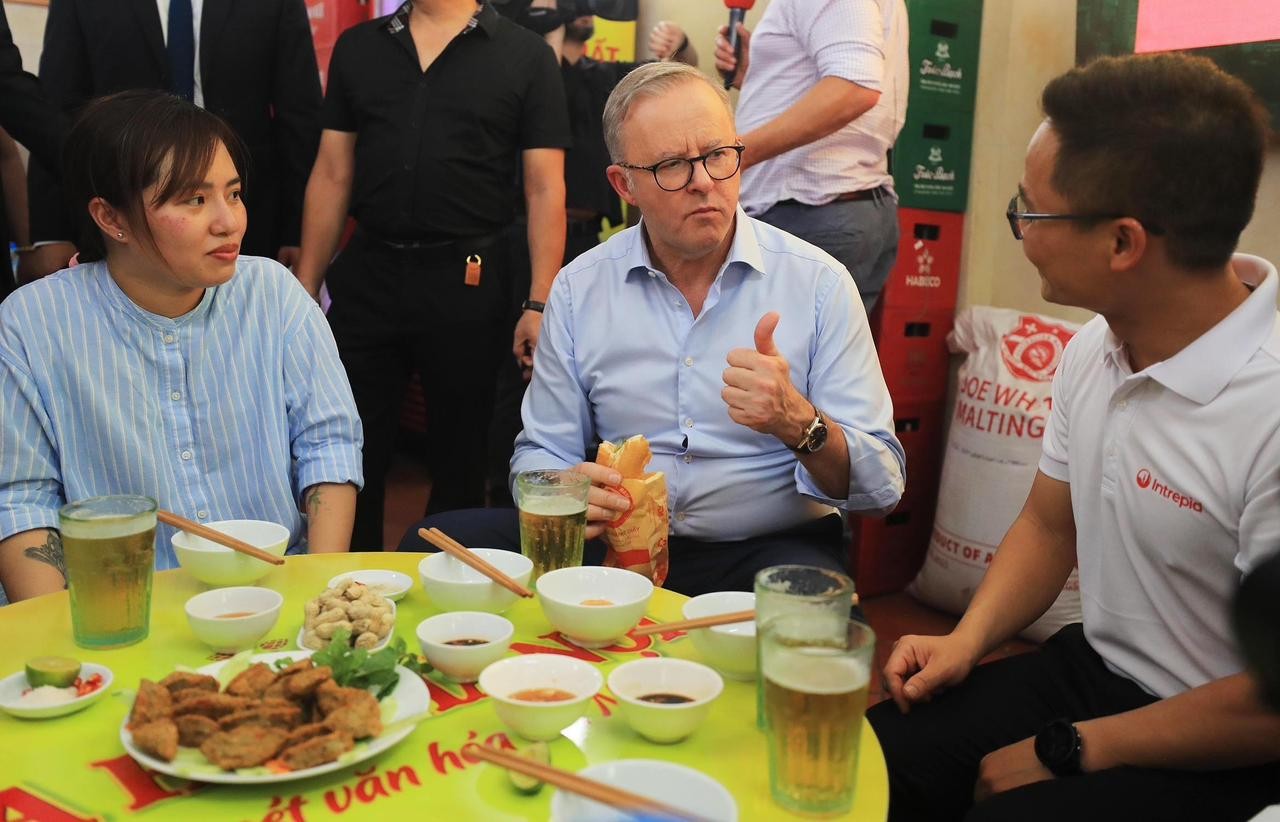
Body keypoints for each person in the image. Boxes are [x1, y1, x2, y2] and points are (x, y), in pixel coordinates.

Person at [867, 53, 1280, 821]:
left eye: (1032, 210)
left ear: (1123, 244)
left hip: (1231, 739)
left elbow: (1271, 708)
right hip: (1101, 670)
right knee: (873, 760)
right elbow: (1048, 524)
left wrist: (1074, 749)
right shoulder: (1098, 345)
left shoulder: (1270, 407)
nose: (1020, 228)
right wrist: (969, 640)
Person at [402, 62, 905, 596]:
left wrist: (798, 422)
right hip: (613, 544)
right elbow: (541, 451)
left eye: (718, 156)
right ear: (625, 185)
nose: (704, 183)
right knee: (428, 549)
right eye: (672, 166)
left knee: (819, 638)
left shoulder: (818, 284)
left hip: (764, 547)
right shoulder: (580, 289)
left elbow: (882, 487)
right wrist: (561, 488)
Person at [0, 90, 363, 603]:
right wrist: (59, 644)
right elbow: (21, 499)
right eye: (194, 200)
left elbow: (329, 445)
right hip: (121, 609)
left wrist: (319, 595)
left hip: (273, 593)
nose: (228, 221)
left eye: (233, 194)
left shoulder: (274, 294)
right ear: (111, 218)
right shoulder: (32, 323)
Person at [295, 0, 570, 550]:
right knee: (350, 443)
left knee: (460, 451)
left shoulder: (526, 56)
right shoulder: (362, 47)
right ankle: (350, 583)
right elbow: (331, 172)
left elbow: (545, 188)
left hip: (469, 276)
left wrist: (539, 302)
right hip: (369, 270)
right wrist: (303, 290)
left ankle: (451, 594)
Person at [486, 15, 697, 507]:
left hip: (584, 235)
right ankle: (513, 496)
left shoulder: (604, 76)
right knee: (514, 380)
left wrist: (682, 43)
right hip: (521, 236)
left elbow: (679, 77)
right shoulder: (527, 65)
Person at [20, 0, 322, 282]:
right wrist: (50, 231)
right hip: (122, 220)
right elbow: (59, 111)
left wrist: (299, 231)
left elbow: (299, 114)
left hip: (246, 217)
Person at [671, 0, 908, 311]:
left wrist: (734, 155)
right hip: (834, 206)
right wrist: (758, 73)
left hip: (809, 212)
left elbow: (855, 86)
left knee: (763, 354)